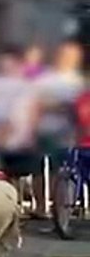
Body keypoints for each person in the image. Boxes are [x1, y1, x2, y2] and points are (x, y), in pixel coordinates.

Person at [32, 39, 85, 217]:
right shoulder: (45, 79)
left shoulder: (79, 81)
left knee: (62, 169)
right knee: (39, 169)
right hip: (45, 128)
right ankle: (40, 207)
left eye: (72, 55)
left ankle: (60, 209)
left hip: (69, 131)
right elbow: (34, 103)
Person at [0, 46, 40, 203]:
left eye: (8, 62)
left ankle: (33, 202)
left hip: (19, 140)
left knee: (25, 169)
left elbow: (33, 112)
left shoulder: (27, 86)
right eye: (2, 62)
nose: (4, 65)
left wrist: (31, 134)